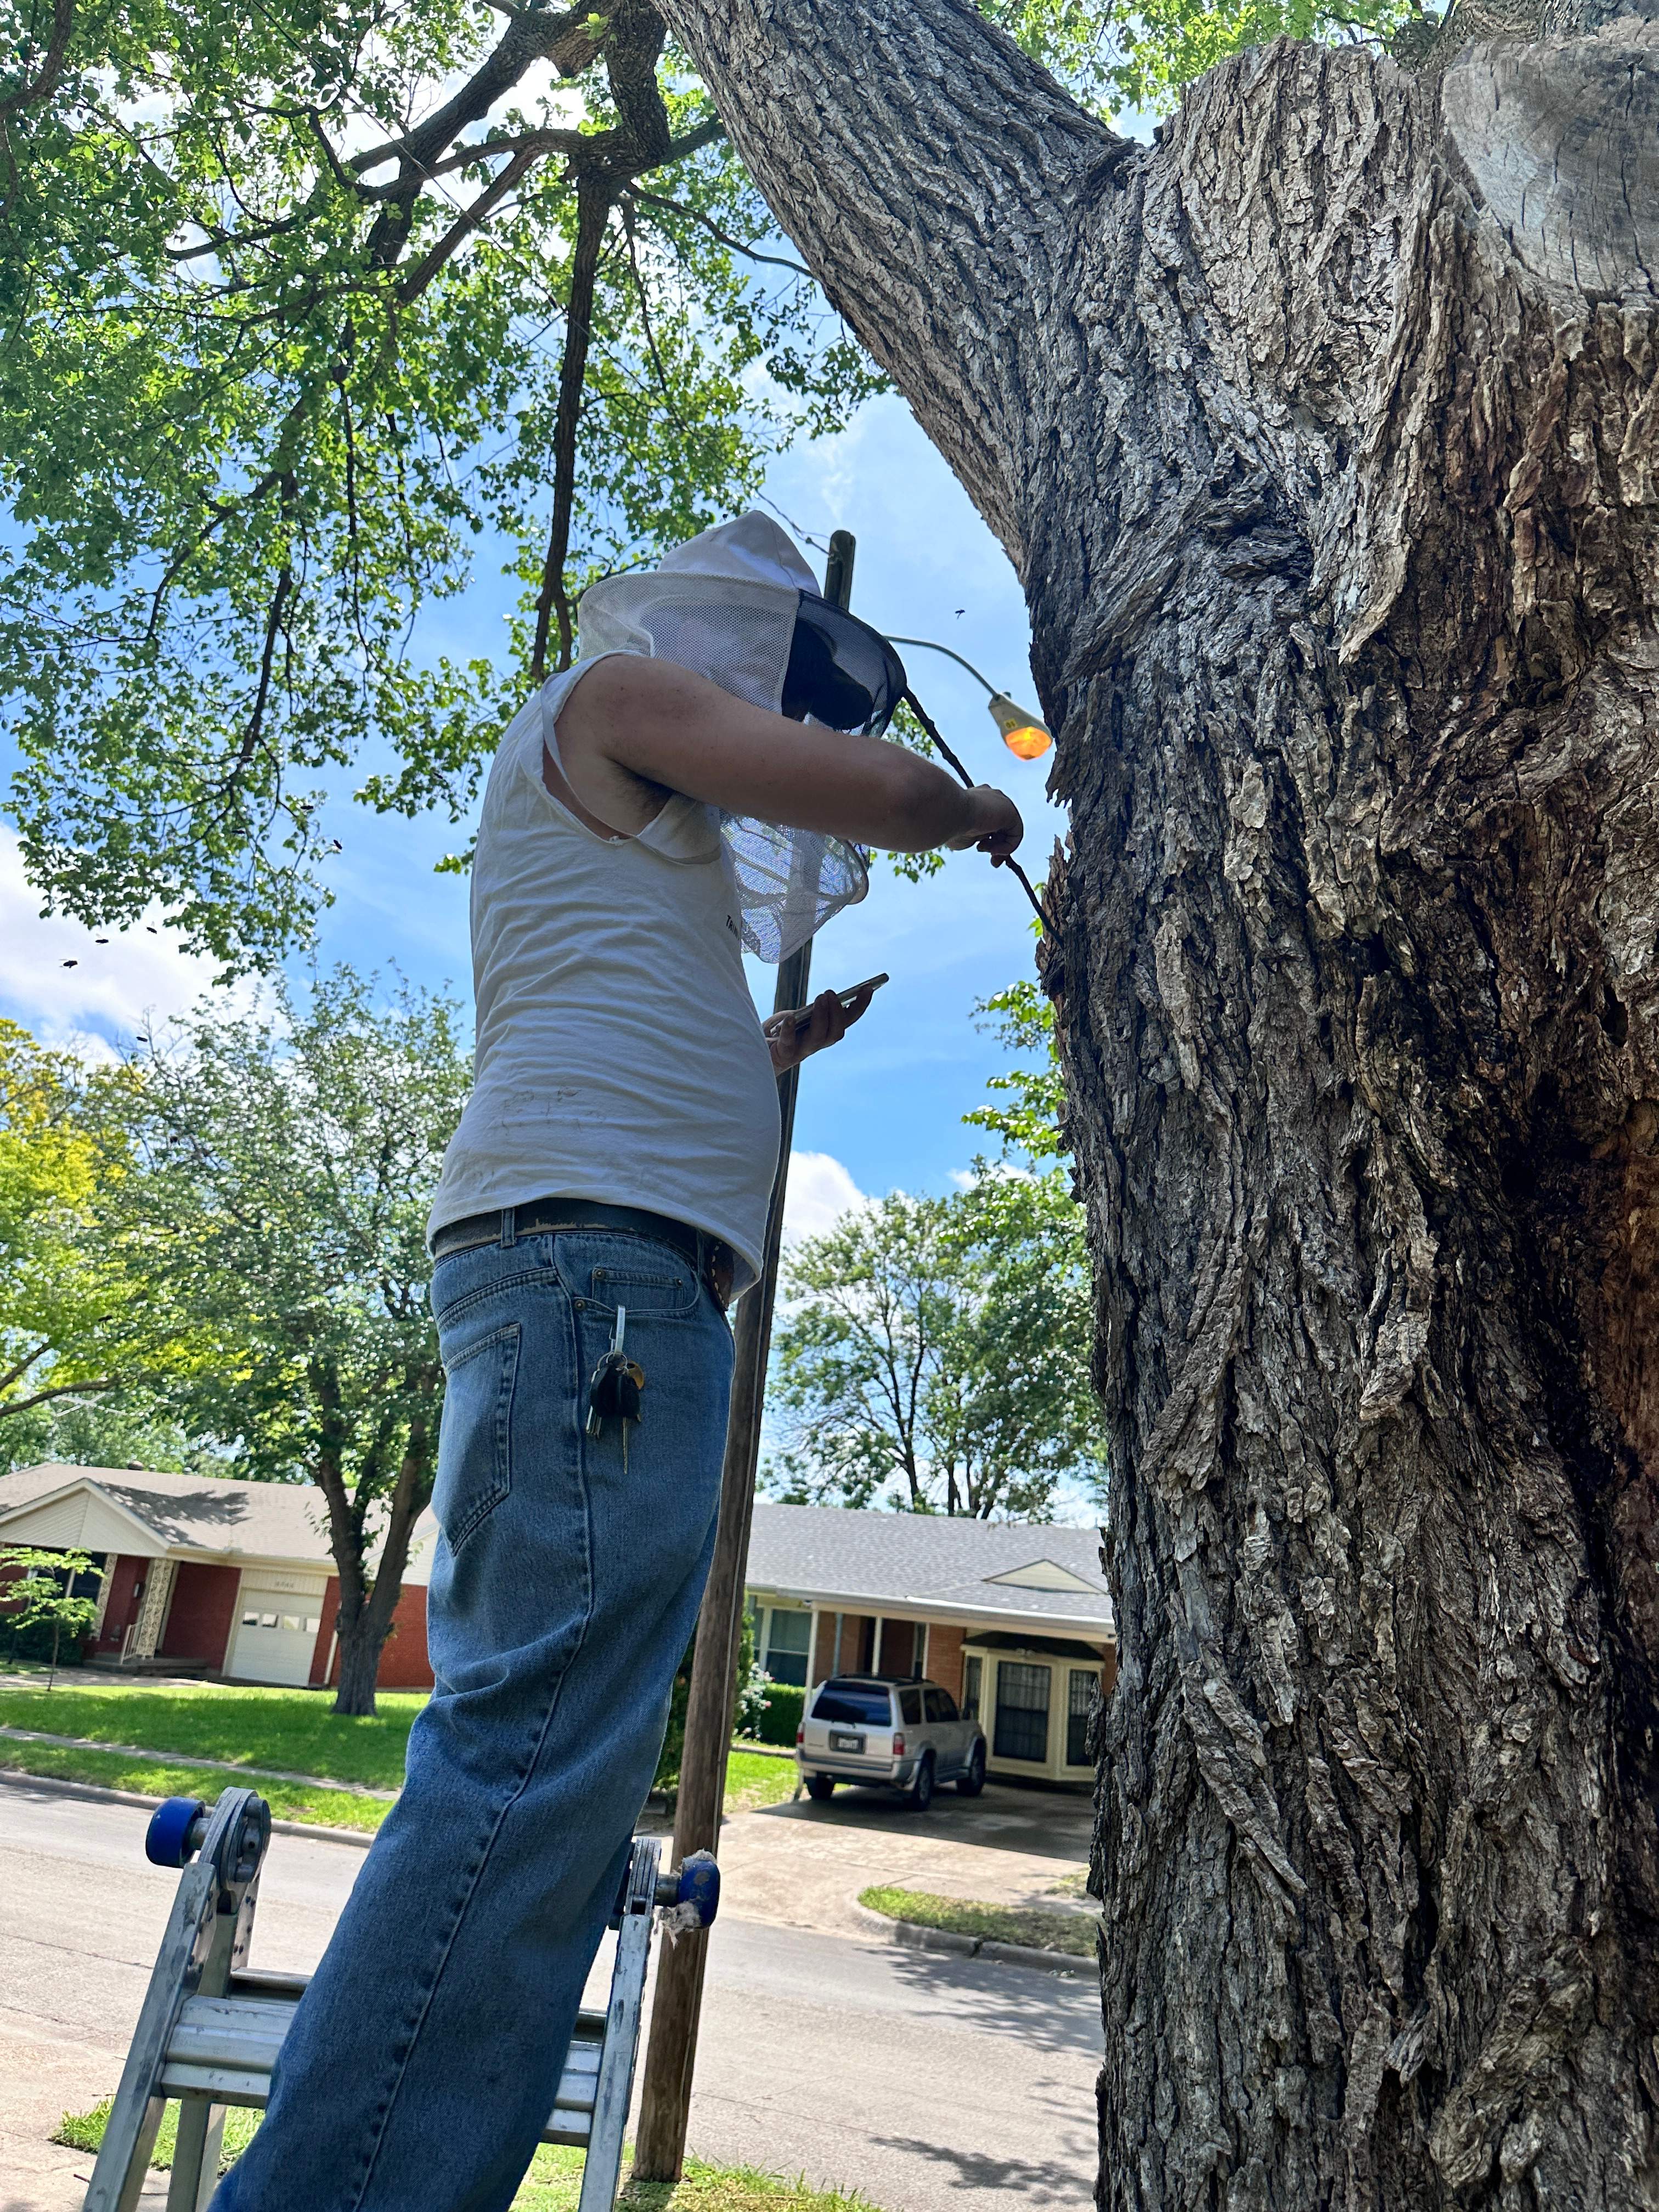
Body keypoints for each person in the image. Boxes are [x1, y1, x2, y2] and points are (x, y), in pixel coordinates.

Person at [212, 514, 1023, 2212]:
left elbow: (634, 1018)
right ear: (718, 638)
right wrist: (967, 807)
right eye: (785, 676)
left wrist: (778, 1040)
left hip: (605, 1291)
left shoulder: (623, 843)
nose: (791, 704)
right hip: (600, 1289)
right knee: (532, 1770)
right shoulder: (615, 692)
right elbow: (871, 797)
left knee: (558, 1794)